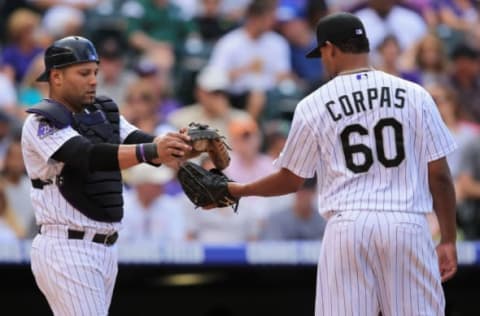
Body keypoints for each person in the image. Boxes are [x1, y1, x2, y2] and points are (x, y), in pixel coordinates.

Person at [225, 12, 458, 315]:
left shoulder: (313, 104)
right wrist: (449, 238)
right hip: (407, 223)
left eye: (322, 52)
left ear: (331, 49)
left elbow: (291, 180)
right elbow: (439, 175)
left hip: (348, 226)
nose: (323, 60)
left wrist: (238, 189)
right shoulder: (416, 95)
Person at [21, 36, 191, 315]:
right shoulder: (41, 120)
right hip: (67, 247)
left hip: (105, 248)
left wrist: (189, 145)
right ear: (57, 76)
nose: (93, 80)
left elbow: (143, 141)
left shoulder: (103, 112)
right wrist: (153, 149)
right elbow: (86, 156)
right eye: (83, 73)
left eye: (95, 72)